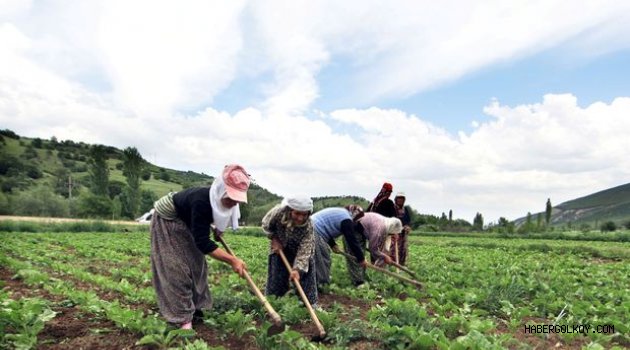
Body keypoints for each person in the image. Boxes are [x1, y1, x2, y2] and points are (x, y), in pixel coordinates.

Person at [150, 164, 250, 330]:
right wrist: (232, 260)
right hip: (168, 220)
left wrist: (219, 229)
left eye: (236, 200)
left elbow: (221, 215)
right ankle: (181, 318)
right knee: (176, 268)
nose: (233, 203)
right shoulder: (202, 201)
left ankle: (197, 308)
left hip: (187, 220)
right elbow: (203, 242)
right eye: (230, 199)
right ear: (220, 192)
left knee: (197, 265)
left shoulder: (230, 202)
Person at [263, 195, 318, 307]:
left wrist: (297, 269)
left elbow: (305, 248)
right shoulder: (278, 213)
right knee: (277, 274)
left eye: (304, 214)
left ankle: (310, 304)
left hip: (299, 250)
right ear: (289, 210)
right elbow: (266, 224)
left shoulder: (309, 226)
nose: (300, 218)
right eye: (297, 213)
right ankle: (274, 302)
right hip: (280, 246)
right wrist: (274, 238)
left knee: (306, 275)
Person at [312, 205, 367, 289]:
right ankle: (321, 284)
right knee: (323, 258)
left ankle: (313, 281)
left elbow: (326, 225)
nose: (356, 222)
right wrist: (361, 258)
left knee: (313, 259)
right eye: (357, 219)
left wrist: (333, 244)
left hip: (312, 227)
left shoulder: (342, 213)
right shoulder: (346, 219)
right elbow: (351, 240)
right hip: (314, 231)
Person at [345, 212, 402, 286]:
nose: (392, 235)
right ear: (391, 229)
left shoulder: (386, 224)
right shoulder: (379, 229)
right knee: (356, 257)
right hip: (352, 231)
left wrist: (384, 255)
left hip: (361, 231)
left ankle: (361, 279)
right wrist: (385, 257)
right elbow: (373, 249)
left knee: (361, 256)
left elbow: (383, 245)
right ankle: (358, 283)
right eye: (392, 234)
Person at [391, 192, 412, 266]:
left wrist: (407, 226)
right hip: (394, 233)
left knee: (403, 250)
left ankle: (401, 265)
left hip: (403, 233)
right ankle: (394, 265)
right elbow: (390, 220)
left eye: (402, 199)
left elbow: (408, 220)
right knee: (394, 250)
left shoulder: (405, 209)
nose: (400, 200)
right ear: (396, 199)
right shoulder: (392, 208)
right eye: (399, 199)